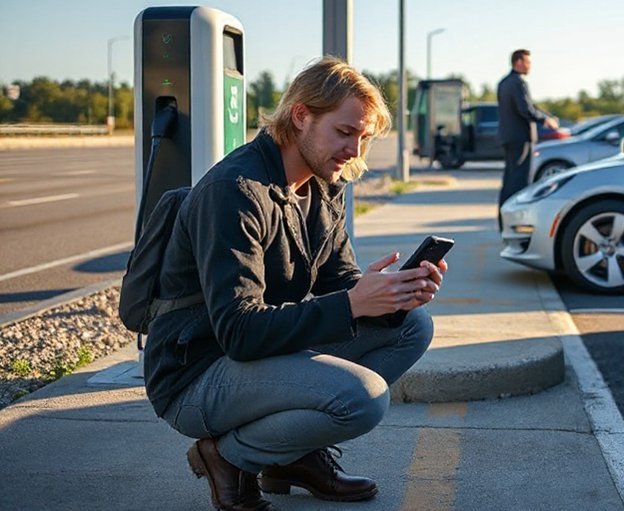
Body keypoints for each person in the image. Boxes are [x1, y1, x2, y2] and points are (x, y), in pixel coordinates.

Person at [143, 56, 444, 511]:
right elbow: (240, 333)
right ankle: (226, 456)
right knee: (362, 400)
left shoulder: (322, 185)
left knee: (411, 326)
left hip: (257, 359)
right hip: (197, 373)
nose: (355, 151)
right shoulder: (235, 191)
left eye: (363, 138)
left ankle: (286, 459)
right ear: (301, 116)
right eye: (345, 133)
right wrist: (352, 304)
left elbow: (339, 281)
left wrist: (392, 294)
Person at [497, 49, 558, 208]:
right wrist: (545, 120)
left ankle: (504, 216)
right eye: (528, 62)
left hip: (508, 137)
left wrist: (546, 116)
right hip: (520, 137)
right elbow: (526, 109)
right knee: (519, 181)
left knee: (509, 180)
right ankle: (516, 217)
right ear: (518, 62)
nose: (530, 66)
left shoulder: (504, 82)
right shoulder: (518, 82)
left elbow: (529, 106)